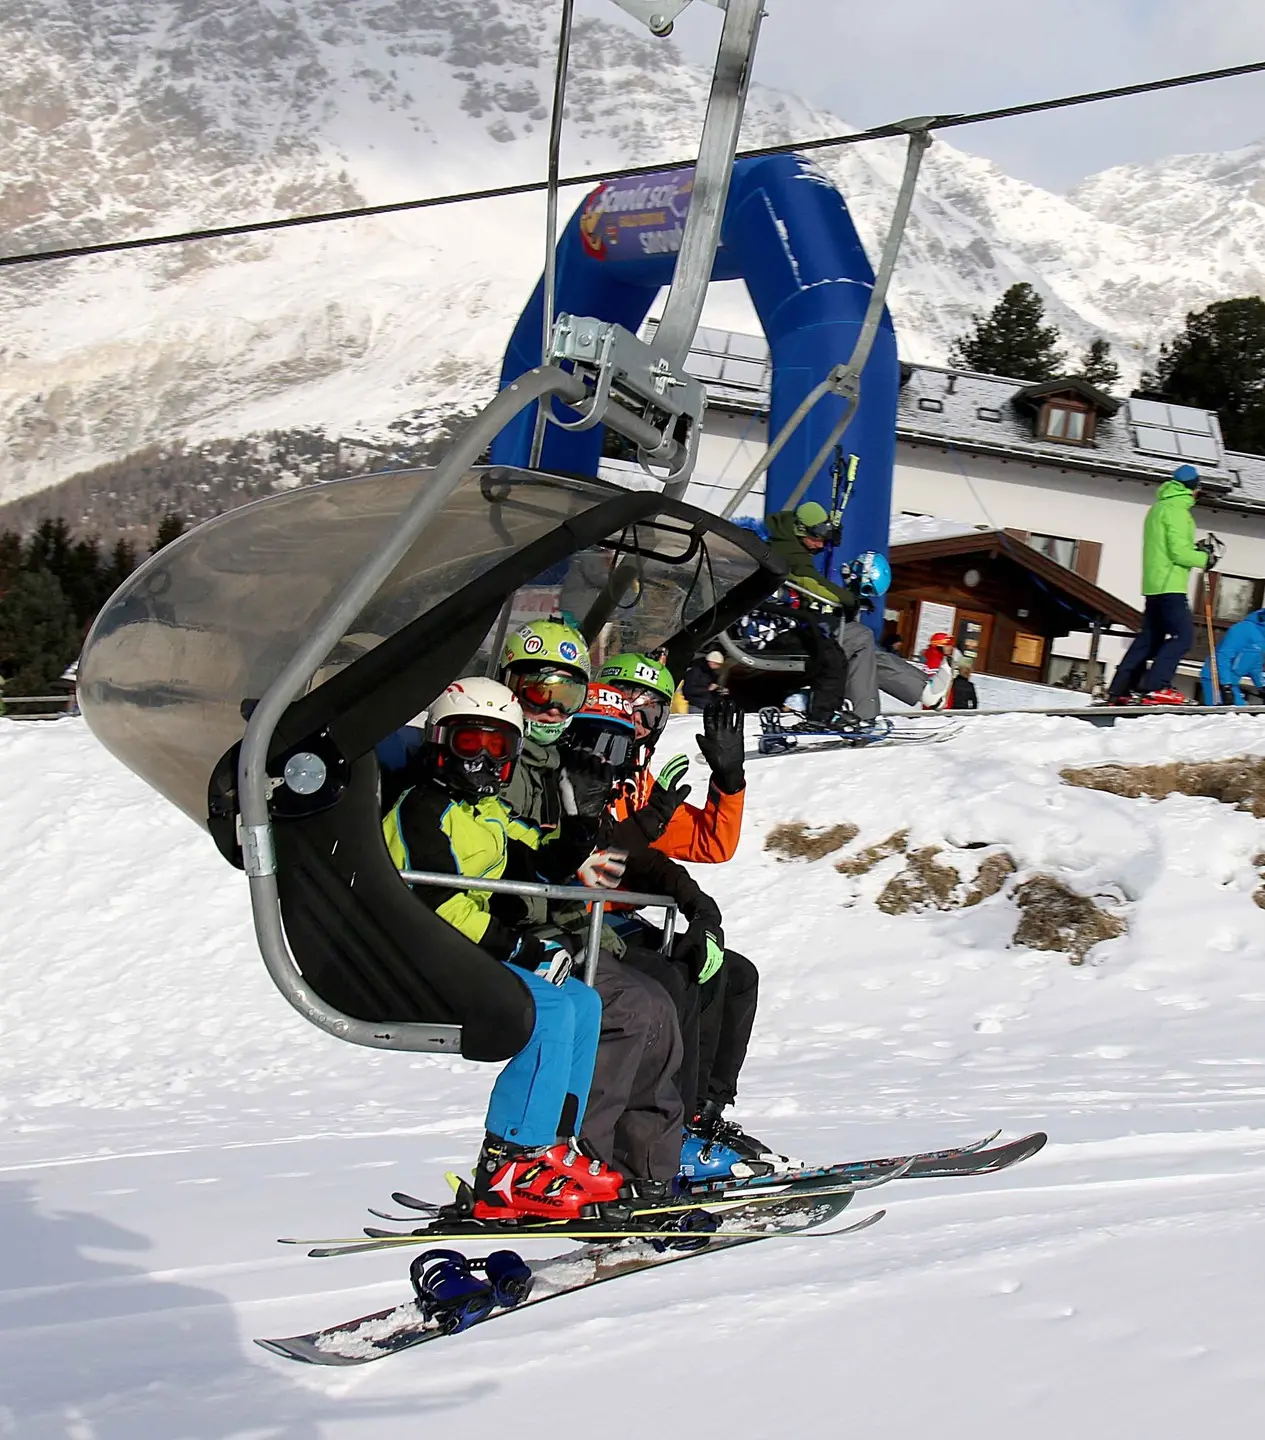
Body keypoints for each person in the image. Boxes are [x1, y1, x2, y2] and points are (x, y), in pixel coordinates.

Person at [382, 677, 625, 1222]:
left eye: (500, 748)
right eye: (472, 743)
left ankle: (554, 1149)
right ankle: (510, 1162)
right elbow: (434, 903)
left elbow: (537, 853)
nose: (485, 760)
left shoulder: (484, 811)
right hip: (420, 952)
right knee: (550, 1007)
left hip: (461, 949)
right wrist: (518, 946)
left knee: (583, 1002)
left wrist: (580, 830)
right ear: (441, 741)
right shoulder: (422, 808)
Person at [496, 619, 687, 1193]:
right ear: (511, 686)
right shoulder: (498, 753)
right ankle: (579, 1161)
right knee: (628, 1008)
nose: (552, 710)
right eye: (538, 692)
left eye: (567, 696)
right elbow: (515, 852)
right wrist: (577, 844)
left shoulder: (568, 764)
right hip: (518, 925)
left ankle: (645, 1170)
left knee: (656, 1007)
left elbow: (605, 852)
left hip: (567, 922)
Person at [594, 652, 792, 1180]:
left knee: (735, 973)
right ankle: (668, 1132)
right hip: (591, 924)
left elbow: (710, 842)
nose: (636, 717)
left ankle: (703, 1114)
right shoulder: (590, 770)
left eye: (652, 710)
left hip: (626, 922)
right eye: (625, 703)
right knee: (676, 978)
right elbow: (602, 861)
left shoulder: (639, 783)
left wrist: (728, 781)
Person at [763, 503, 954, 727]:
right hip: (788, 636)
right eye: (816, 537)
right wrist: (848, 600)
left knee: (862, 647)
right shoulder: (789, 552)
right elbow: (812, 584)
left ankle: (925, 691)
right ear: (800, 530)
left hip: (797, 627)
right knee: (861, 637)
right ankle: (865, 716)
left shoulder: (789, 543)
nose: (820, 544)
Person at [1107, 464, 1222, 705]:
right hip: (1171, 586)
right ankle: (1158, 686)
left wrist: (1196, 550)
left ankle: (1121, 689)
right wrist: (1206, 558)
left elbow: (1167, 548)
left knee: (1149, 639)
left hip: (1154, 585)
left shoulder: (1158, 508)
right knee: (1183, 637)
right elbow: (1178, 552)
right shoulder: (1178, 511)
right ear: (1193, 490)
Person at [1200, 608, 1265, 706]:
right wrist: (1226, 686)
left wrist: (1261, 686)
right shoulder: (1243, 629)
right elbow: (1223, 657)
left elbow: (1255, 665)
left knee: (1239, 715)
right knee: (1221, 716)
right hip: (1214, 679)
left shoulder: (1261, 637)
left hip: (1231, 683)